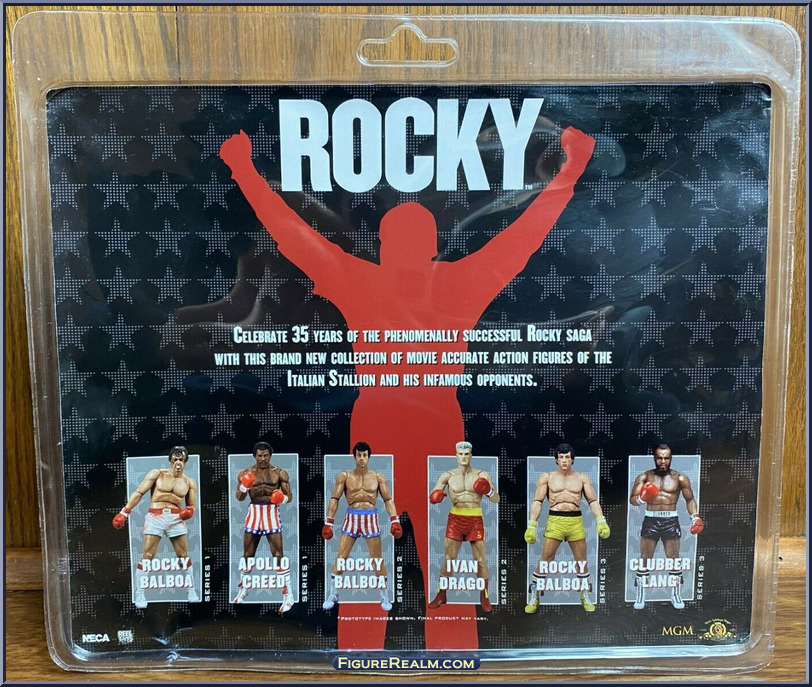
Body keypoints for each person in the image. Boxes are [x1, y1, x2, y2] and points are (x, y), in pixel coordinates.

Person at [220, 124, 594, 649]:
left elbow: (292, 233)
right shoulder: (455, 282)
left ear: (384, 247)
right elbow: (526, 234)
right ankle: (419, 655)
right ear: (429, 247)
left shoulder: (372, 280)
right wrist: (570, 169)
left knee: (402, 565)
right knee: (432, 565)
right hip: (414, 435)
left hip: (399, 435)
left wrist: (243, 168)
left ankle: (385, 656)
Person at [523, 443, 609, 614]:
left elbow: (592, 501)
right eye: (561, 457)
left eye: (567, 457)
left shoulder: (582, 478)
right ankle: (534, 594)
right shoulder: (547, 477)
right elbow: (537, 501)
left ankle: (585, 594)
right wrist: (531, 525)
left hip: (575, 521)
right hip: (555, 521)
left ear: (572, 460)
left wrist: (601, 521)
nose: (564, 460)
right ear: (556, 460)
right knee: (546, 560)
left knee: (581, 561)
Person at [112, 446, 199, 608]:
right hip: (155, 516)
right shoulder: (157, 474)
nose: (178, 462)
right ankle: (139, 593)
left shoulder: (190, 482)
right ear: (170, 460)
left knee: (183, 555)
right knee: (148, 555)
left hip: (176, 518)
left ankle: (191, 590)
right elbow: (139, 493)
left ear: (185, 462)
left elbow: (191, 506)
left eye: (181, 459)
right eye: (175, 459)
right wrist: (124, 512)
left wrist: (188, 513)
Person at [321, 442, 402, 613]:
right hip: (351, 517)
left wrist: (395, 520)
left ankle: (384, 595)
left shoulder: (378, 477)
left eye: (365, 455)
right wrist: (329, 522)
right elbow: (334, 499)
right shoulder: (344, 476)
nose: (362, 459)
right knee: (341, 557)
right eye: (359, 455)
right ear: (354, 456)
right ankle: (333, 594)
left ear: (369, 457)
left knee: (377, 559)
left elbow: (388, 500)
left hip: (370, 517)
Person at [629, 444, 704, 610]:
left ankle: (675, 594)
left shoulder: (680, 478)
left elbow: (690, 500)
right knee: (645, 557)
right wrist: (642, 498)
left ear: (671, 459)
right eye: (660, 458)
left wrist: (695, 517)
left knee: (674, 557)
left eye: (666, 458)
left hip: (670, 520)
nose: (663, 461)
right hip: (651, 519)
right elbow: (632, 499)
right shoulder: (645, 477)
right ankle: (641, 594)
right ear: (654, 458)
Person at [428, 441, 499, 612]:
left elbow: (496, 499)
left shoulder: (482, 475)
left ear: (471, 455)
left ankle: (484, 596)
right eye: (460, 454)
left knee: (480, 561)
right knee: (449, 559)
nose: (464, 457)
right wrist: (437, 495)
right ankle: (441, 594)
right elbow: (432, 497)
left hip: (475, 519)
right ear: (456, 456)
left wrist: (488, 491)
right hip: (455, 519)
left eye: (466, 454)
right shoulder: (447, 476)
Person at [233, 442, 295, 614]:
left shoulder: (279, 473)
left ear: (270, 456)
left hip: (271, 512)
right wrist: (245, 486)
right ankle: (244, 588)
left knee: (278, 555)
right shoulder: (246, 473)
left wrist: (281, 499)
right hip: (254, 512)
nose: (263, 459)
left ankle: (288, 594)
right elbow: (239, 497)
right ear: (255, 456)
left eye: (265, 455)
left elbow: (289, 496)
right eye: (260, 455)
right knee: (247, 555)